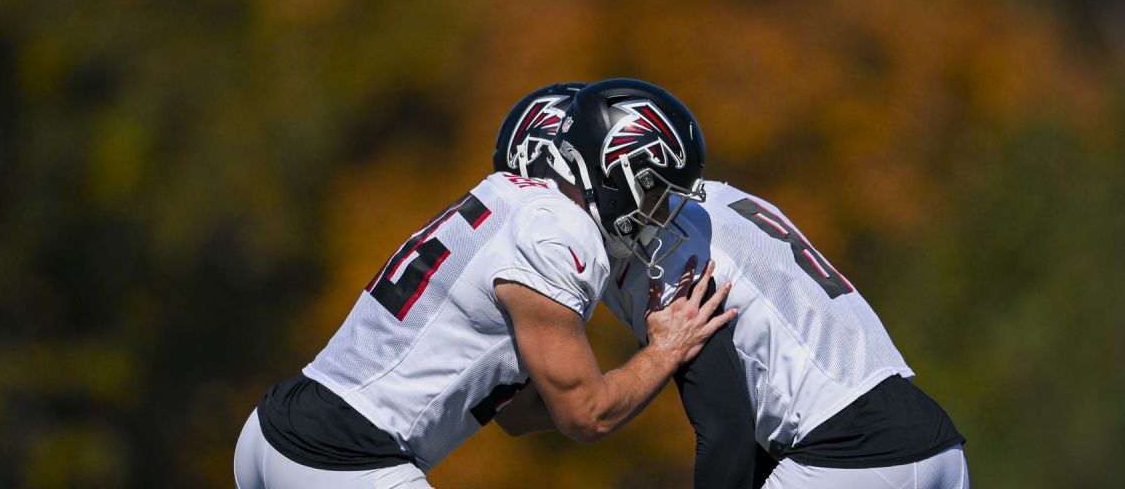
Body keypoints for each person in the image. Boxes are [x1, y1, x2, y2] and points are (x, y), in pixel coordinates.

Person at [234, 79, 735, 489]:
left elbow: (515, 413)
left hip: (273, 430)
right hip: (346, 457)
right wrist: (663, 351)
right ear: (616, 173)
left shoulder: (505, 196)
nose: (657, 217)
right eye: (653, 196)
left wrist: (613, 385)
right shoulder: (561, 234)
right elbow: (587, 415)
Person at [498, 82, 968, 489]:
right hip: (931, 441)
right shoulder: (721, 198)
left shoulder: (654, 257)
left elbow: (726, 429)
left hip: (848, 455)